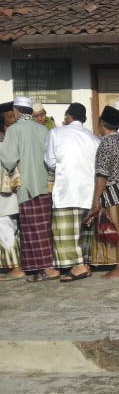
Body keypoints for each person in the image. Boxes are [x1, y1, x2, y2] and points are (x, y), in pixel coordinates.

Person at [0, 96, 59, 282]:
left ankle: (47, 269)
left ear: (17, 111)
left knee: (32, 230)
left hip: (27, 187)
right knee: (43, 228)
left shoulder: (14, 131)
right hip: (45, 186)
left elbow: (9, 160)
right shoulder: (43, 129)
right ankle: (39, 271)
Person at [44, 102, 99, 282]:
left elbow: (50, 162)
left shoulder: (56, 133)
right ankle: (85, 263)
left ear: (68, 116)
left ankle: (78, 267)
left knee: (65, 232)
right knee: (84, 231)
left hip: (66, 190)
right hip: (87, 192)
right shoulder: (93, 138)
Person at [89, 106, 119, 279]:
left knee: (114, 231)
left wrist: (96, 198)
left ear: (102, 123)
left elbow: (102, 174)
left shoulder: (105, 143)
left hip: (111, 193)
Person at [0, 101, 23, 281]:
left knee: (7, 231)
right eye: (9, 116)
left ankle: (15, 267)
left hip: (16, 194)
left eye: (14, 115)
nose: (14, 119)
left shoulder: (17, 137)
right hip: (6, 195)